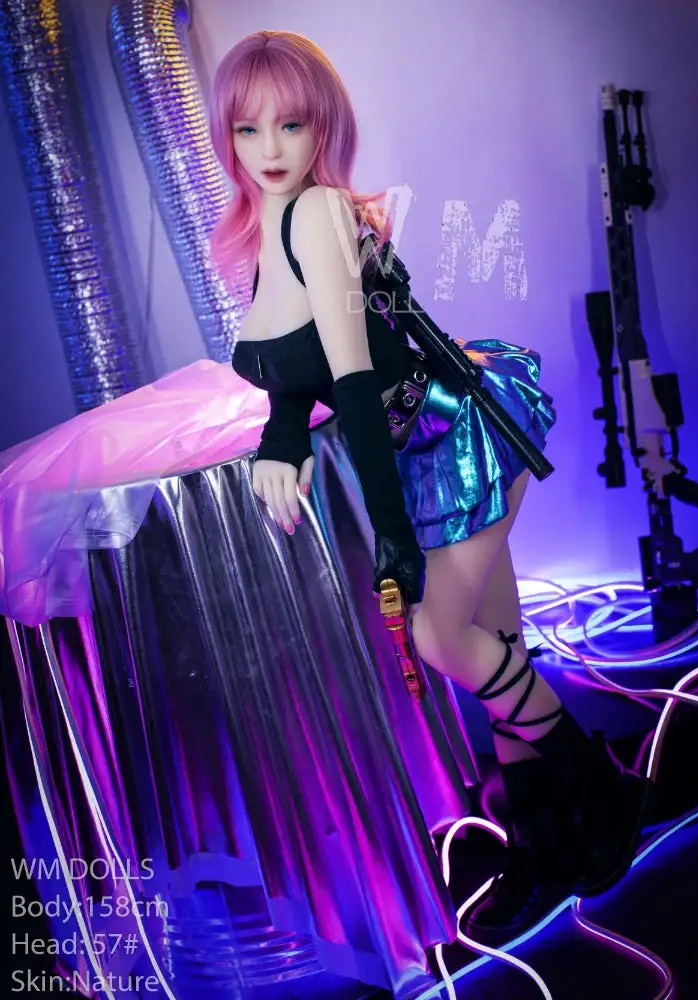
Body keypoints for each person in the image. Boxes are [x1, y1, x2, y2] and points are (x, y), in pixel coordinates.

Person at [209, 29, 652, 945]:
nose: (271, 148)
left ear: (322, 125)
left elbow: (354, 385)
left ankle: (601, 791)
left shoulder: (317, 213)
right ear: (228, 135)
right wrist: (277, 442)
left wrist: (392, 540)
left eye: (291, 125)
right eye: (249, 128)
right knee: (494, 644)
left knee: (440, 635)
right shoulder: (265, 232)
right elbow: (295, 376)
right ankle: (546, 845)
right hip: (417, 452)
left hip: (452, 434)